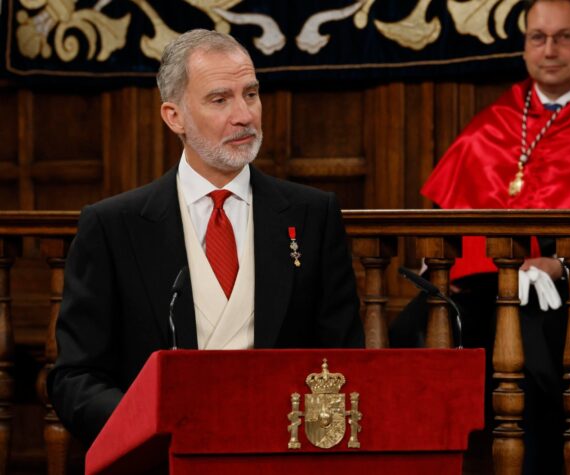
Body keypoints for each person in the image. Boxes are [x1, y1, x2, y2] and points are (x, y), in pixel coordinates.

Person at [47, 29, 364, 446]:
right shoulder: (112, 226)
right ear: (174, 116)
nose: (244, 115)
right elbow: (75, 378)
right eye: (220, 100)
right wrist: (148, 429)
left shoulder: (312, 215)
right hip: (162, 458)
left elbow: (344, 360)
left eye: (251, 94)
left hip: (280, 455)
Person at [391, 0, 570, 472]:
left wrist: (562, 267)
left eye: (565, 36)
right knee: (410, 331)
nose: (549, 50)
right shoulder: (495, 120)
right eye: (538, 37)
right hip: (484, 284)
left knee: (536, 349)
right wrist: (444, 271)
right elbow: (449, 222)